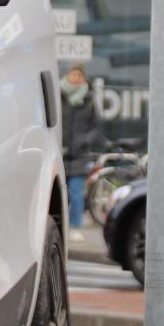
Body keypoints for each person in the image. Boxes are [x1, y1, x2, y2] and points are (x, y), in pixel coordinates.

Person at [59, 64, 103, 232]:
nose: (76, 78)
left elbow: (97, 126)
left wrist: (85, 140)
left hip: (80, 154)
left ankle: (75, 227)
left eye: (79, 75)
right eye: (73, 74)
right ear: (67, 75)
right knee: (63, 194)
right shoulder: (58, 95)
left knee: (76, 193)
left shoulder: (89, 101)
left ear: (84, 78)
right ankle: (61, 227)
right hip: (59, 154)